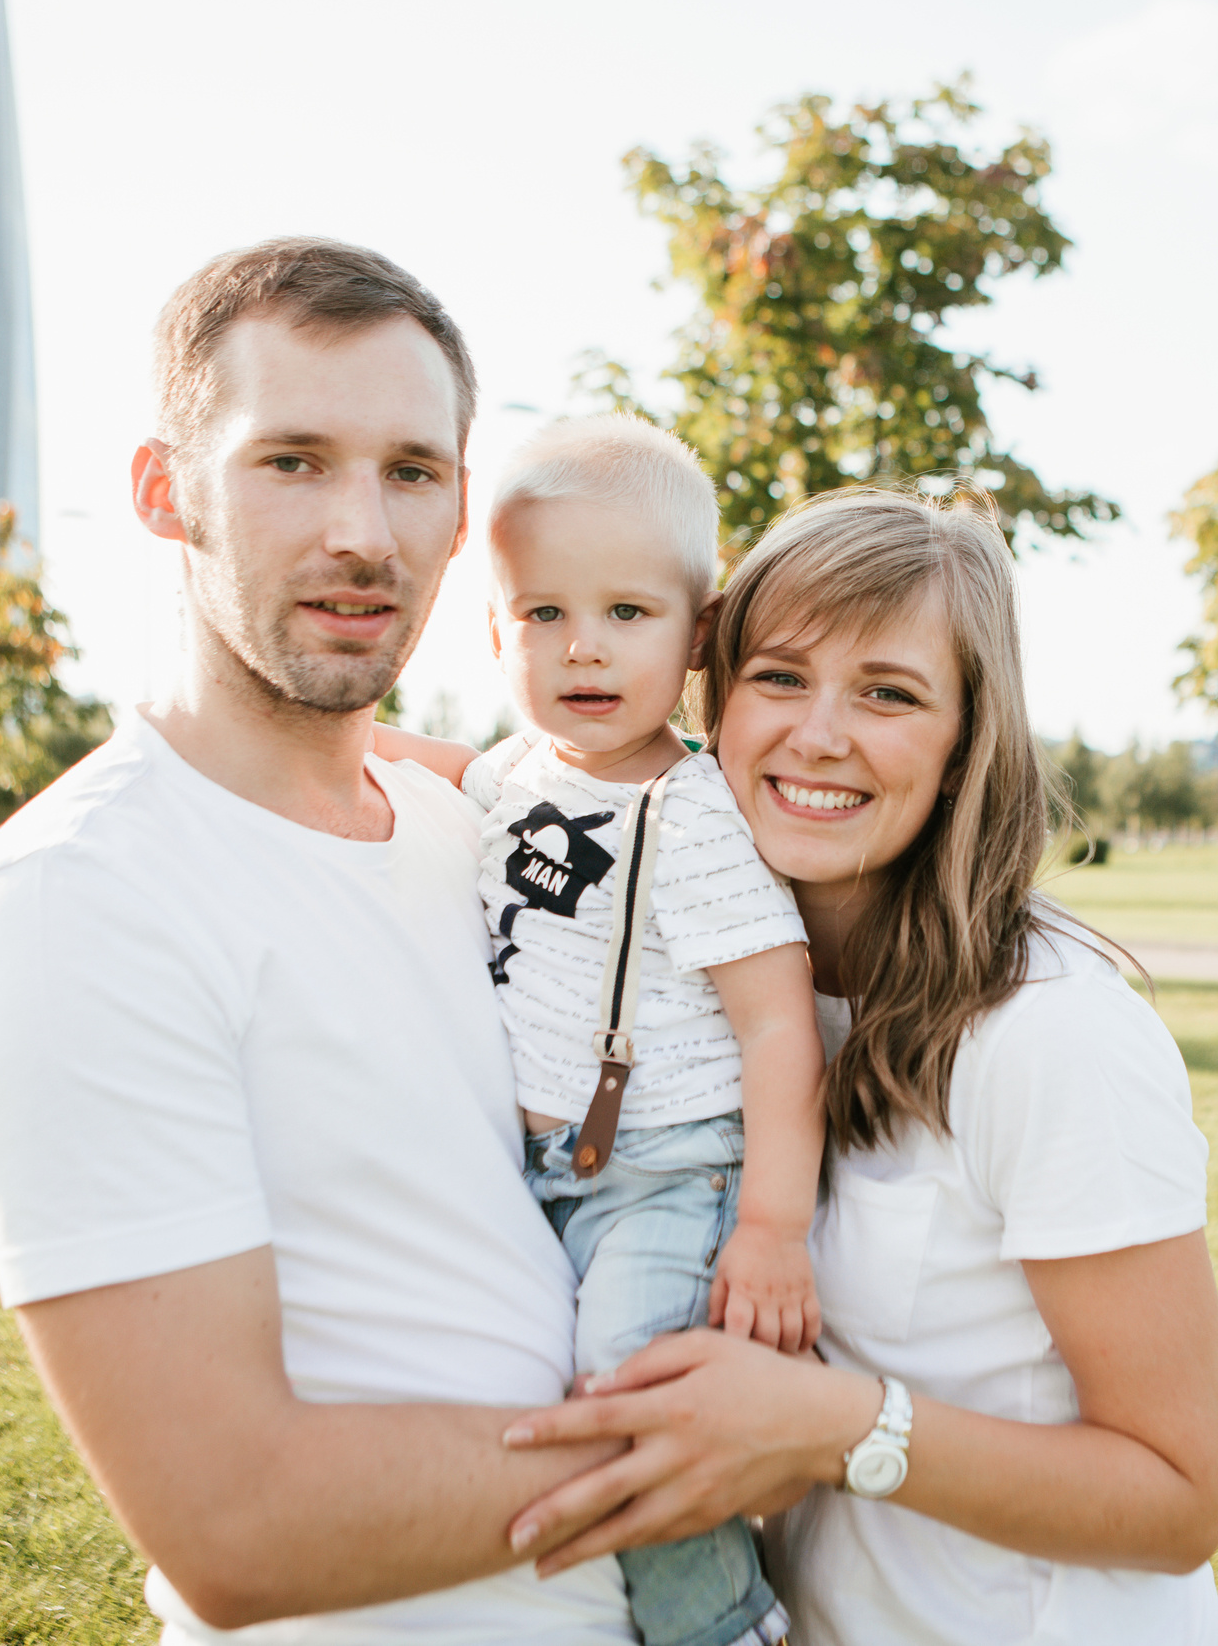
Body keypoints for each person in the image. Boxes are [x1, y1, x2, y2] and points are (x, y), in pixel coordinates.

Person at [0, 239, 680, 1642]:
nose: (364, 534)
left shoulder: (476, 829)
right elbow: (236, 1523)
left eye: (411, 470)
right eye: (293, 461)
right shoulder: (82, 900)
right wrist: (712, 1449)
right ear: (166, 492)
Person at [499, 487, 1218, 1643]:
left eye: (888, 693)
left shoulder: (1052, 1034)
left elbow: (1178, 1500)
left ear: (962, 742)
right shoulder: (702, 988)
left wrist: (837, 1424)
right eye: (780, 677)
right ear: (713, 698)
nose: (820, 734)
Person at [377, 414, 819, 1646]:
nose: (583, 647)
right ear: (495, 631)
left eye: (628, 613)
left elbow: (781, 1027)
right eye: (543, 615)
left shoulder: (695, 820)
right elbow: (439, 764)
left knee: (629, 1396)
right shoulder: (520, 773)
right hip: (537, 1171)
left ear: (697, 633)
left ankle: (725, 1626)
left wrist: (775, 1226)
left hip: (666, 1172)